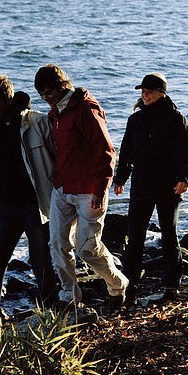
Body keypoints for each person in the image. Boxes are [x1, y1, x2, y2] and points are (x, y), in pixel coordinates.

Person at [34, 64, 129, 312]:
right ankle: (69, 297)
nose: (45, 99)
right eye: (41, 95)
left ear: (61, 86)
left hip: (90, 190)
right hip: (62, 188)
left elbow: (107, 150)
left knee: (87, 248)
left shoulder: (86, 108)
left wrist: (101, 187)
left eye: (48, 93)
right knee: (57, 245)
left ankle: (118, 285)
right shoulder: (55, 113)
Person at [0, 75, 59, 329]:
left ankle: (53, 321)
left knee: (41, 265)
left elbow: (58, 159)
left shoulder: (37, 122)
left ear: (9, 99)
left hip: (35, 208)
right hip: (6, 210)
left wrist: (62, 200)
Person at [114, 73, 188, 304]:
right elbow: (126, 151)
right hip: (140, 186)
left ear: (162, 92)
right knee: (135, 236)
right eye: (142, 91)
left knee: (169, 235)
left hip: (169, 187)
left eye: (149, 91)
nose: (145, 94)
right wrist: (120, 179)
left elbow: (186, 150)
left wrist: (184, 178)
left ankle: (172, 285)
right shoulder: (135, 120)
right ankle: (130, 287)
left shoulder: (175, 118)